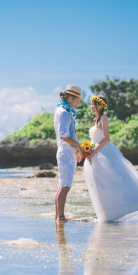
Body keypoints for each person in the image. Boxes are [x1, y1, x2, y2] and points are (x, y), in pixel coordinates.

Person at [83, 95, 138, 221]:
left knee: (114, 181)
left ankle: (131, 206)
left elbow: (106, 138)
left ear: (100, 106)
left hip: (103, 152)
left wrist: (94, 151)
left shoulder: (104, 118)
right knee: (101, 185)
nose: (91, 106)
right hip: (95, 155)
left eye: (93, 104)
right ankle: (107, 214)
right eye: (91, 104)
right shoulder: (95, 119)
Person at [54, 85, 84, 223]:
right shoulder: (65, 113)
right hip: (66, 151)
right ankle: (60, 217)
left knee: (63, 185)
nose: (78, 103)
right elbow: (63, 135)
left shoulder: (62, 110)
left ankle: (58, 216)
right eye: (77, 99)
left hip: (65, 151)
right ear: (70, 98)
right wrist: (77, 145)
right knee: (65, 186)